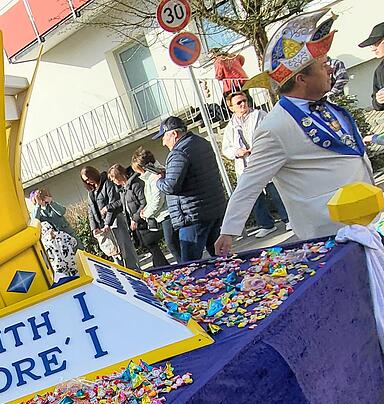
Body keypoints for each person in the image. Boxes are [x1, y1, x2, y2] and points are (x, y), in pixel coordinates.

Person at [215, 10, 375, 256]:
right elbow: (251, 181)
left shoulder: (332, 107)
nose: (331, 70)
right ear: (301, 79)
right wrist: (229, 231)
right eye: (323, 66)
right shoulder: (274, 127)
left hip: (369, 222)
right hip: (332, 237)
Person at [153, 116, 227, 262]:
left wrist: (159, 180)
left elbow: (170, 186)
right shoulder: (202, 143)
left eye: (163, 137)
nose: (163, 142)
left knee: (190, 265)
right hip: (214, 208)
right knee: (221, 257)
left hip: (192, 215)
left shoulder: (178, 152)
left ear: (174, 134)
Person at [221, 90, 290, 238]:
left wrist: (260, 146)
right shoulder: (230, 127)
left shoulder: (259, 115)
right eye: (238, 103)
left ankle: (288, 219)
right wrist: (237, 151)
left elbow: (272, 131)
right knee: (254, 197)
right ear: (231, 107)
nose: (243, 104)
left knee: (275, 191)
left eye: (244, 100)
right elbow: (226, 149)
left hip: (264, 159)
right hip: (245, 164)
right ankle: (266, 224)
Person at [81, 165, 141, 271]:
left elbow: (114, 203)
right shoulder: (91, 192)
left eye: (88, 178)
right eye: (85, 181)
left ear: (93, 175)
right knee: (113, 250)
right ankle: (124, 272)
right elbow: (91, 211)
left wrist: (107, 223)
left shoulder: (107, 184)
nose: (88, 182)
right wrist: (94, 227)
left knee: (125, 248)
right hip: (104, 225)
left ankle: (135, 270)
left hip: (115, 220)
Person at [109, 165, 169, 268]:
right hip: (138, 222)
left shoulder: (135, 185)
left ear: (119, 176)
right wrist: (109, 207)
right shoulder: (124, 189)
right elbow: (123, 203)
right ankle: (160, 266)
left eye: (114, 178)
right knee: (150, 246)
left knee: (151, 244)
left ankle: (162, 267)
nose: (113, 181)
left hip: (144, 220)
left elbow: (143, 202)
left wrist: (135, 218)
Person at [132, 147, 179, 264]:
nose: (138, 173)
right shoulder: (152, 177)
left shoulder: (155, 176)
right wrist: (146, 210)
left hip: (167, 214)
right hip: (164, 214)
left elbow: (158, 200)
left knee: (173, 244)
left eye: (138, 170)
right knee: (174, 244)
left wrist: (146, 213)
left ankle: (185, 266)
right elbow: (152, 199)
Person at [359, 22, 384, 111]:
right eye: (371, 45)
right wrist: (378, 101)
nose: (373, 49)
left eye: (376, 44)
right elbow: (375, 103)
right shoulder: (379, 71)